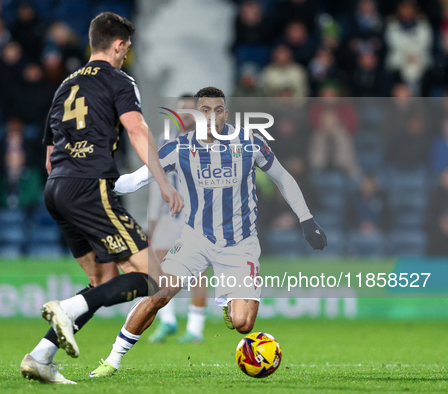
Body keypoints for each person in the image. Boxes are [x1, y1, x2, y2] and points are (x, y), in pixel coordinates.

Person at [89, 87, 327, 378]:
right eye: (204, 110)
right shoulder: (179, 147)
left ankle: (229, 301)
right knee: (158, 295)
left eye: (217, 110)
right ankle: (111, 361)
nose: (211, 116)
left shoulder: (249, 142)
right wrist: (98, 182)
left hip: (241, 244)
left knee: (243, 324)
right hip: (195, 239)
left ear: (225, 114)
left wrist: (307, 220)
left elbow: (283, 178)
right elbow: (136, 180)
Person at [19, 12, 183, 385]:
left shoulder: (65, 86)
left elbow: (48, 154)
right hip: (89, 185)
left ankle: (41, 356)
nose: (126, 54)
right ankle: (66, 308)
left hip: (57, 188)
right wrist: (163, 181)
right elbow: (137, 128)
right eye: (126, 47)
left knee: (102, 278)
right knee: (156, 280)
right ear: (119, 44)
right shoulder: (119, 80)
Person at [146, 95, 208, 344]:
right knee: (157, 266)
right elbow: (155, 179)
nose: (183, 114)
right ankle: (168, 320)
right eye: (180, 109)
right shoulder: (164, 139)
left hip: (197, 216)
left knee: (197, 273)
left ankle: (196, 328)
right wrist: (152, 218)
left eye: (188, 110)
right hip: (170, 215)